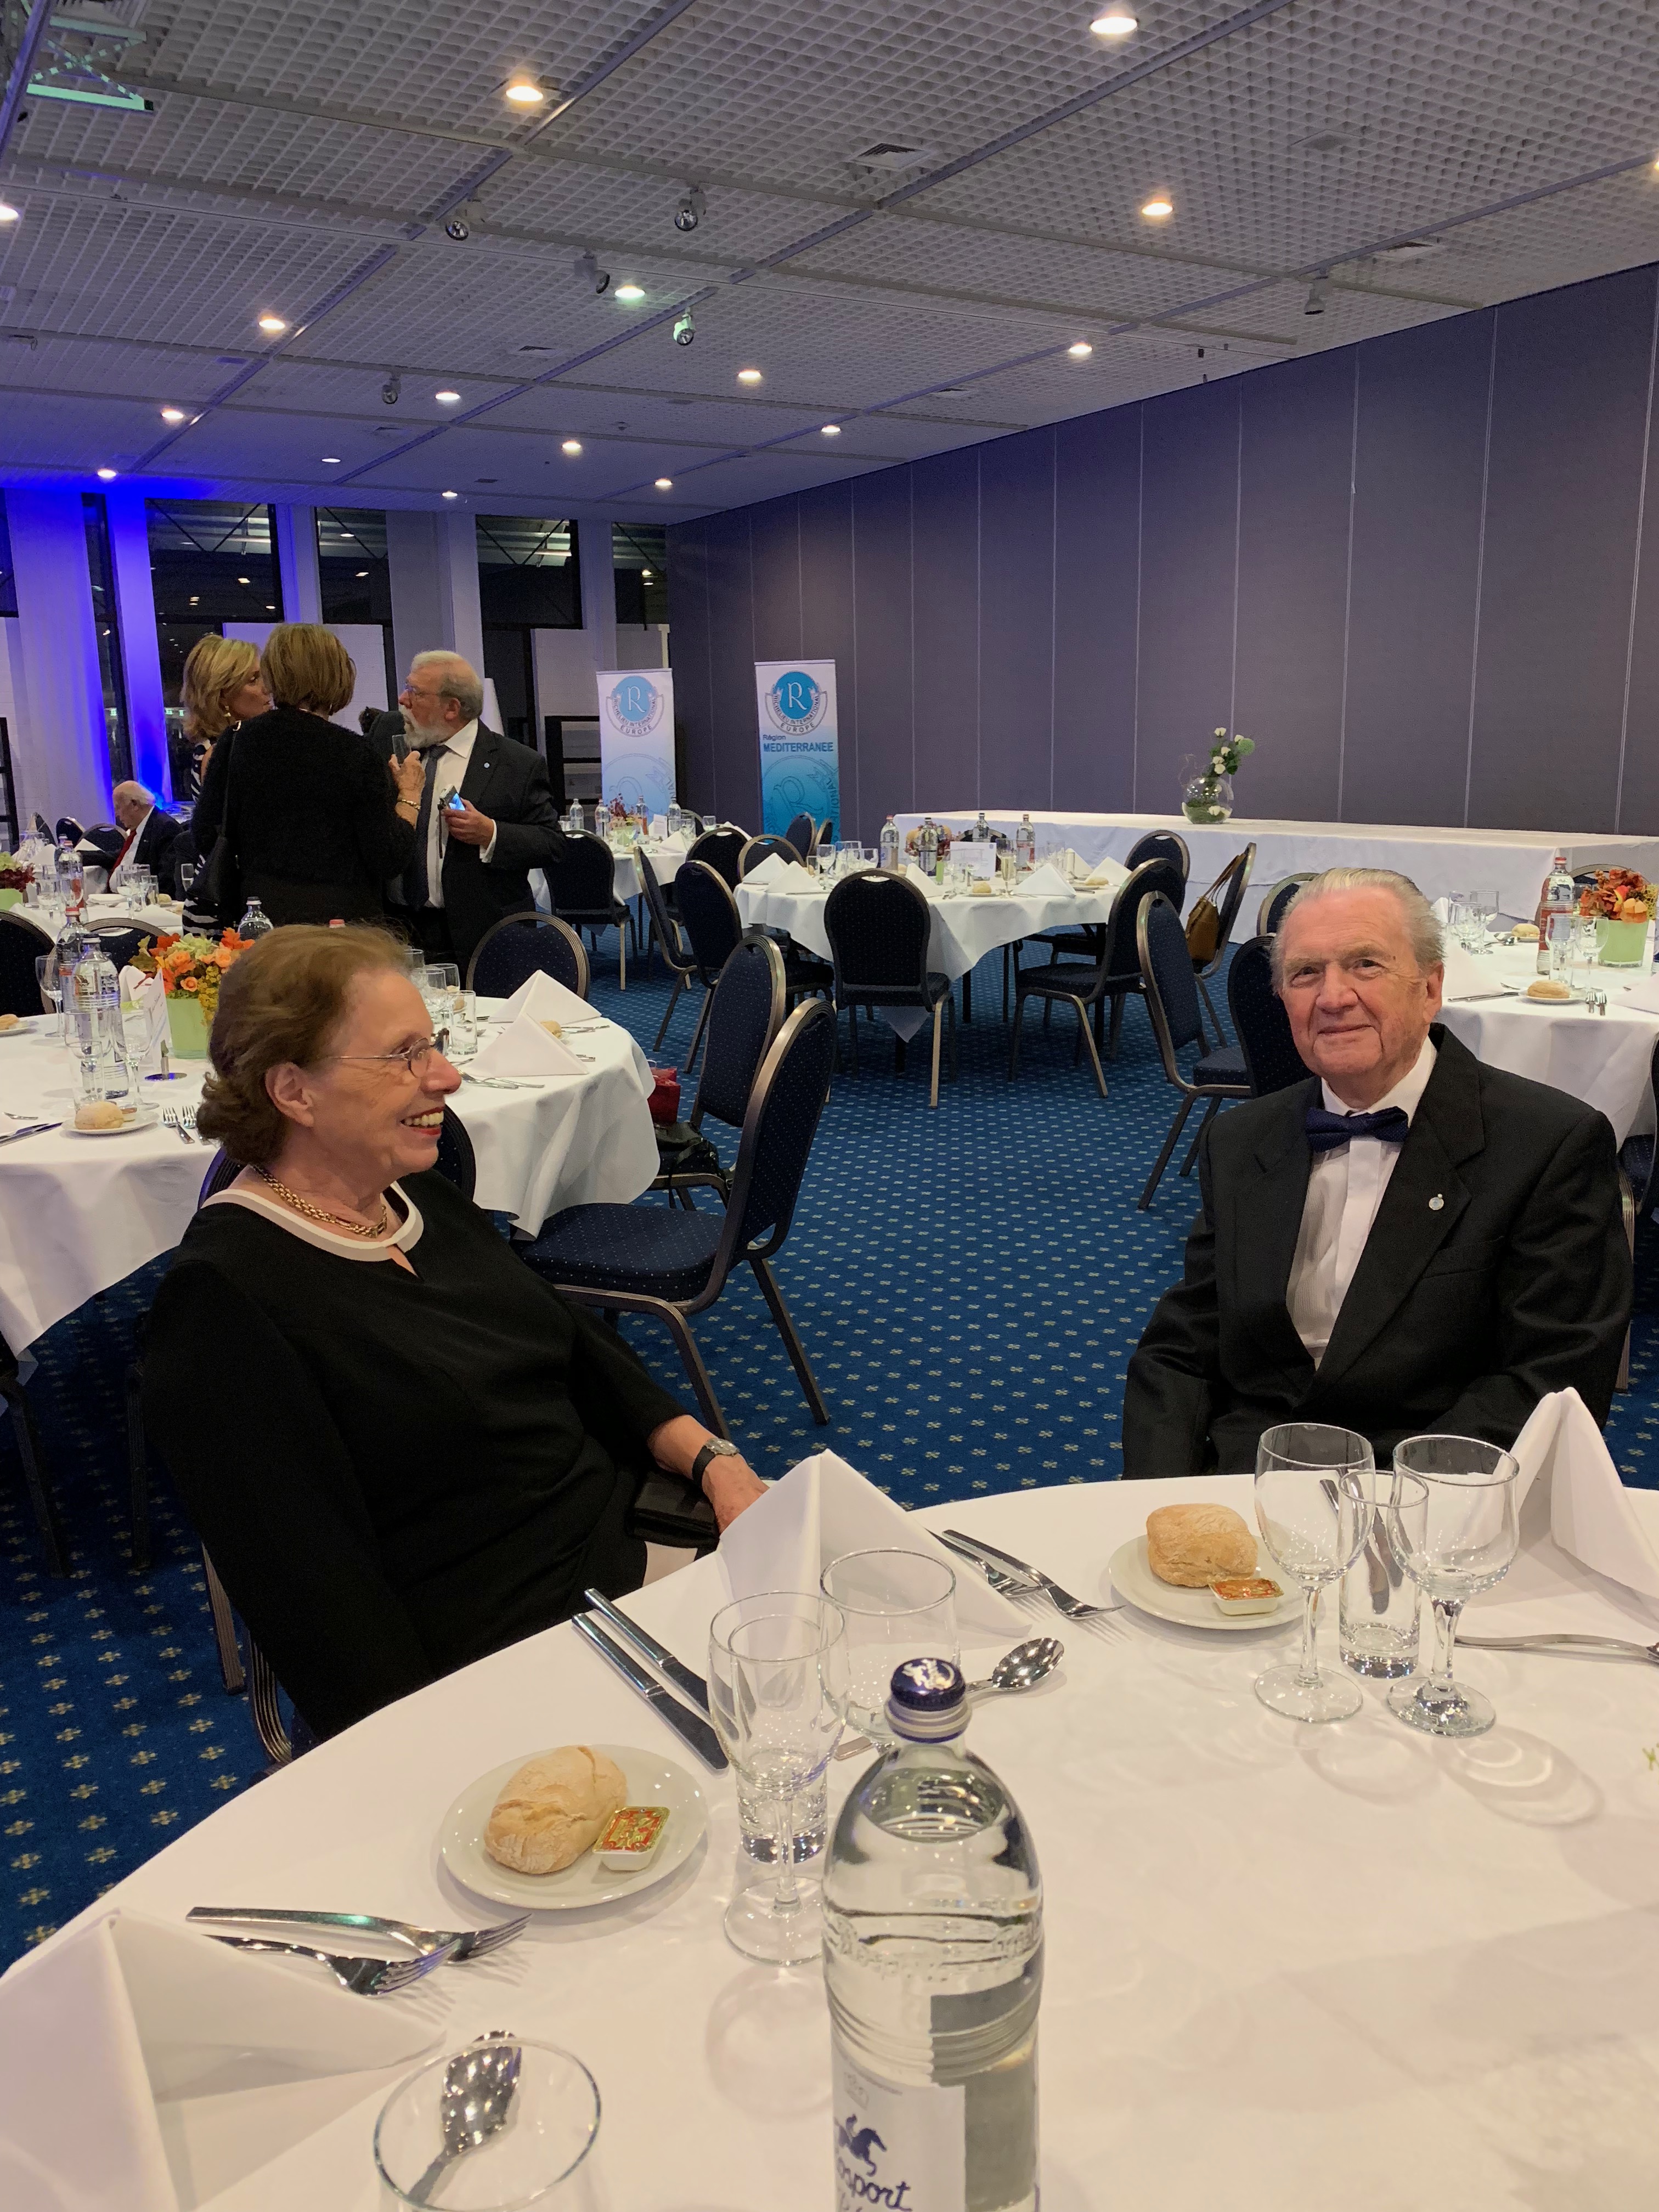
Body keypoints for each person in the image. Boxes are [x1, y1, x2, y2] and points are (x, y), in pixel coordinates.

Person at [142, 926, 768, 1739]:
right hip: (515, 1657)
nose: (445, 1075)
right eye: (404, 1055)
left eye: (433, 1044)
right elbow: (324, 1617)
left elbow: (576, 1348)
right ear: (294, 1091)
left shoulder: (415, 1196)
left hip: (638, 1548)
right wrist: (435, 1761)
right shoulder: (225, 1303)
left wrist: (715, 1462)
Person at [1122, 867, 1631, 1475]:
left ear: (1430, 989)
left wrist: (1396, 1506)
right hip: (1249, 1472)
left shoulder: (1548, 1145)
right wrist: (1158, 1494)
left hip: (1434, 1486)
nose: (1333, 998)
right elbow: (1187, 1340)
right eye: (1306, 973)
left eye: (1366, 965)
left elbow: (1553, 1379)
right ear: (1282, 999)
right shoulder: (1241, 1139)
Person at [195, 622, 423, 926]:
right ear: (338, 674)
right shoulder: (355, 753)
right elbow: (388, 857)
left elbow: (205, 834)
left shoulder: (236, 741)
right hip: (340, 925)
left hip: (260, 918)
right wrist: (409, 795)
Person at [375, 651, 563, 977]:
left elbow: (552, 843)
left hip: (478, 935)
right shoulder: (391, 746)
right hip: (396, 931)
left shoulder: (517, 763)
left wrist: (490, 833)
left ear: (452, 708)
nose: (402, 700)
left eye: (415, 692)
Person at [181, 634, 269, 815]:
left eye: (264, 677)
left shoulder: (232, 744)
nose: (267, 688)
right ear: (222, 696)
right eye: (253, 680)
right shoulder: (223, 753)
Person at [108, 780, 182, 894]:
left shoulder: (165, 828)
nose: (116, 814)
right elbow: (119, 856)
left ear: (135, 804)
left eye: (118, 807)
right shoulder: (141, 828)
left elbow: (167, 880)